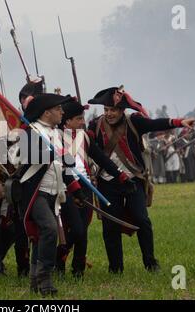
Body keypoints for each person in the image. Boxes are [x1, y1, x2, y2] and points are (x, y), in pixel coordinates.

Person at [88, 86, 195, 273]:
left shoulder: (134, 122)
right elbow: (89, 147)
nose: (109, 114)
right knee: (110, 225)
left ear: (122, 110)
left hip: (133, 180)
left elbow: (156, 124)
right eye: (106, 110)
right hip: (107, 181)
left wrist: (180, 122)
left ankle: (150, 263)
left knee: (142, 220)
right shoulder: (95, 125)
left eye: (113, 110)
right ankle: (115, 268)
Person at [55, 99, 136, 278]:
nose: (82, 122)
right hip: (66, 185)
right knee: (74, 229)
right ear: (67, 120)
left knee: (82, 229)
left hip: (85, 185)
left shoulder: (85, 136)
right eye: (78, 118)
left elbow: (102, 160)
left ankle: (78, 270)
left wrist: (121, 176)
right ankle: (59, 260)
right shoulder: (56, 137)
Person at [19, 93, 88, 296]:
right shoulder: (30, 132)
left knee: (41, 237)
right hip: (35, 192)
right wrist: (55, 154)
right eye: (58, 109)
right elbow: (26, 157)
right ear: (47, 112)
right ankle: (45, 280)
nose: (62, 112)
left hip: (54, 192)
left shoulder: (57, 134)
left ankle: (34, 280)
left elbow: (63, 167)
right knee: (49, 230)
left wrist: (76, 190)